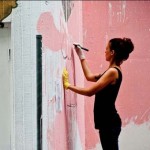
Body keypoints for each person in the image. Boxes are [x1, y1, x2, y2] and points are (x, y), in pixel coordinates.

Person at [62, 38, 134, 150]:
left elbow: (90, 92)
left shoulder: (113, 72)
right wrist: (81, 55)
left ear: (112, 52)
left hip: (109, 124)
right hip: (108, 123)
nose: (104, 51)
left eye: (106, 49)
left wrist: (68, 86)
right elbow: (89, 77)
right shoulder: (111, 71)